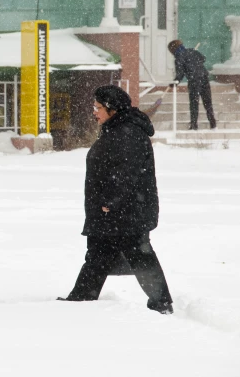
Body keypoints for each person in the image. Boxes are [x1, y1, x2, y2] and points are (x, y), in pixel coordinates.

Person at [58, 85, 173, 314]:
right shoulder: (117, 128)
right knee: (99, 254)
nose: (94, 112)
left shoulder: (127, 133)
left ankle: (162, 303)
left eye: (98, 107)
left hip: (126, 211)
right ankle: (82, 297)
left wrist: (110, 201)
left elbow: (126, 173)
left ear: (112, 109)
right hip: (115, 211)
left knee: (140, 255)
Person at [168, 39, 216, 130]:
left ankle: (194, 124)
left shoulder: (178, 57)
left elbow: (180, 73)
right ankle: (212, 123)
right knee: (207, 102)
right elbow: (203, 58)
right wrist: (194, 58)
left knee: (194, 103)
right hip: (204, 77)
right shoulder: (192, 51)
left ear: (172, 50)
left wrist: (174, 83)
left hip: (194, 80)